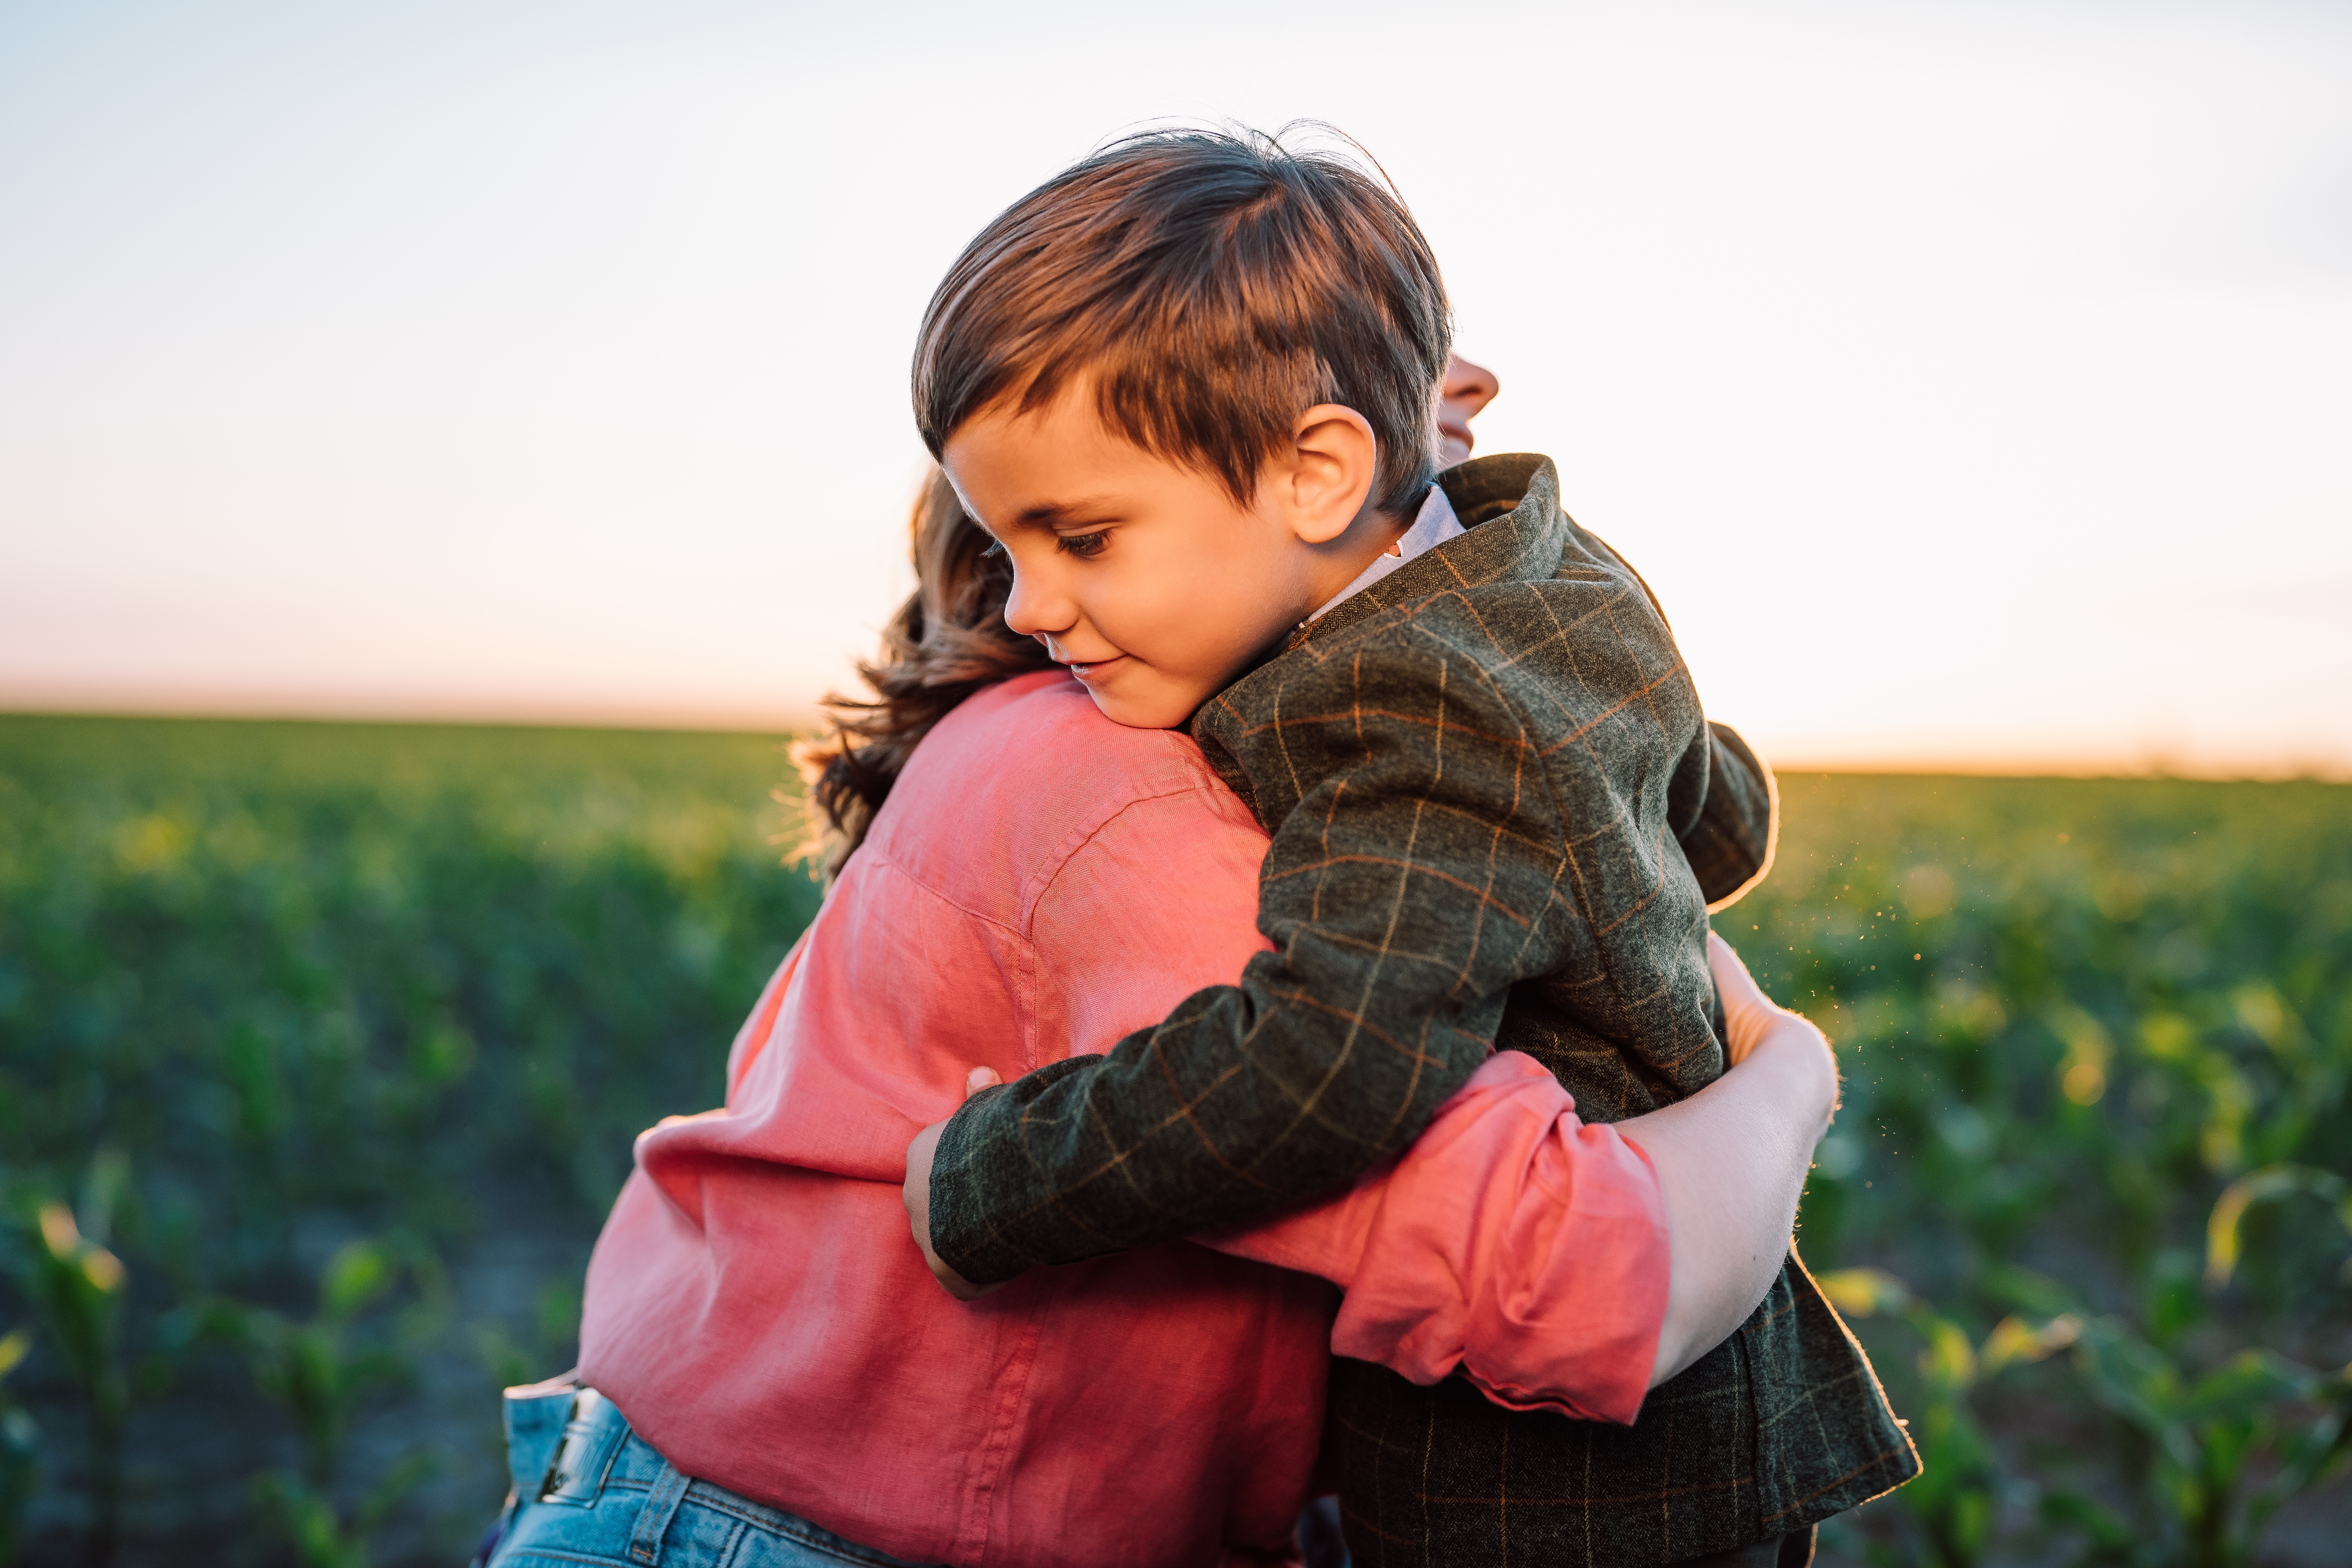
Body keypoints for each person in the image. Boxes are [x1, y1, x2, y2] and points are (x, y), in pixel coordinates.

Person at [477, 478, 1846, 1560]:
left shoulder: (1036, 756)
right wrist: (1790, 1070)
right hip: (787, 1543)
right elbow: (1574, 1275)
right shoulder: (1116, 790)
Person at [902, 127, 1916, 1563]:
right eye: (1007, 548)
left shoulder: (1404, 705)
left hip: (1560, 1499)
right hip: (1700, 1459)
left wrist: (992, 1175)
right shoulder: (1549, 572)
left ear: (1321, 473)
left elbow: (1327, 1064)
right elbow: (1714, 812)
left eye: (1082, 537)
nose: (1025, 605)